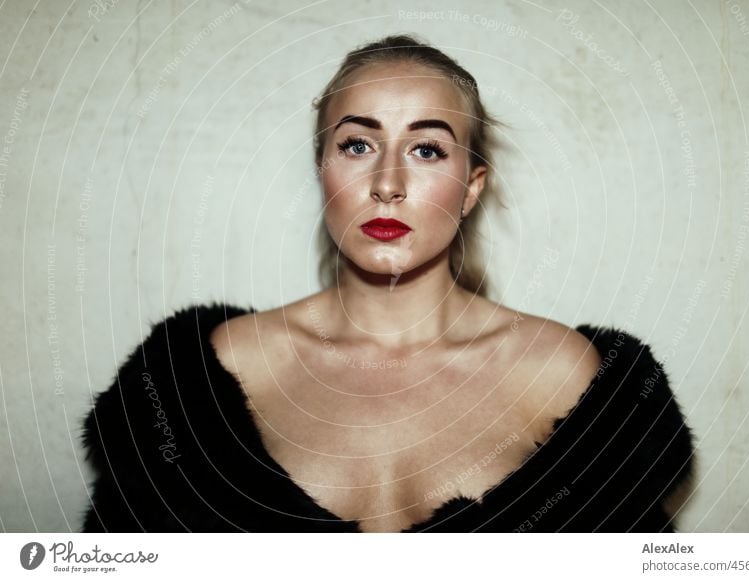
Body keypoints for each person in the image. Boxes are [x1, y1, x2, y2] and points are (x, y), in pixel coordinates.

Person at [80, 34, 695, 533]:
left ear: (472, 187)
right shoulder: (204, 377)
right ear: (321, 169)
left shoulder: (567, 375)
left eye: (427, 149)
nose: (387, 181)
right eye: (357, 144)